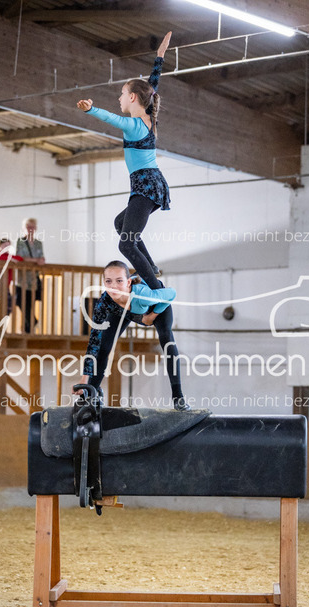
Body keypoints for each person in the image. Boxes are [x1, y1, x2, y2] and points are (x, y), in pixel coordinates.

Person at [77, 31, 172, 291]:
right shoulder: (148, 116)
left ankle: (157, 288)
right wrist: (160, 56)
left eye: (122, 93)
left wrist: (91, 109)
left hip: (147, 185)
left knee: (126, 244)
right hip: (150, 184)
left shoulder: (134, 125)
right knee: (121, 225)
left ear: (132, 97)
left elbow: (112, 118)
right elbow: (153, 84)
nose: (119, 98)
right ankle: (150, 267)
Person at [74, 260, 189, 411]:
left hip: (157, 306)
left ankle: (178, 397)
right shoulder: (104, 302)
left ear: (128, 283)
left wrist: (151, 316)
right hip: (127, 312)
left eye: (119, 281)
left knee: (167, 340)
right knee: (103, 346)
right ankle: (92, 393)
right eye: (108, 281)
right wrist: (85, 378)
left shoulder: (143, 295)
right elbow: (94, 342)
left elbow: (171, 293)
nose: (113, 286)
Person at [15, 218, 45, 333]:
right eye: (28, 227)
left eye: (32, 227)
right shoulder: (20, 241)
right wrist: (35, 260)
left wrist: (38, 261)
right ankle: (33, 322)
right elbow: (20, 257)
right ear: (24, 228)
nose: (30, 229)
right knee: (21, 302)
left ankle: (27, 331)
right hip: (22, 279)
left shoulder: (38, 243)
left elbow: (41, 258)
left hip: (33, 280)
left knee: (30, 305)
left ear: (35, 228)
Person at [0, 238, 23, 315]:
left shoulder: (10, 256)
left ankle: (3, 321)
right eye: (5, 245)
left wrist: (10, 259)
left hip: (6, 286)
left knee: (8, 308)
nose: (7, 248)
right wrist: (10, 259)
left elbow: (20, 259)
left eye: (8, 246)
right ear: (0, 246)